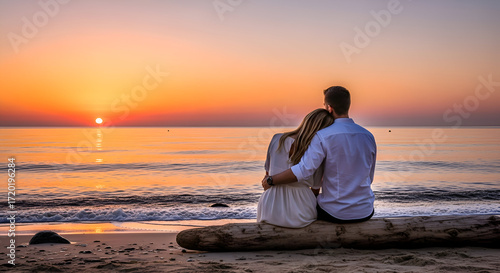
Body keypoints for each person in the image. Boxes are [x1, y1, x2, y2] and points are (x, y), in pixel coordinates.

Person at [262, 86, 377, 223]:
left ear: (329, 108)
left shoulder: (323, 136)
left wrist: (271, 180)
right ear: (348, 105)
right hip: (365, 211)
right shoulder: (368, 136)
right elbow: (369, 177)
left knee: (311, 207)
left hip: (335, 214)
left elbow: (303, 170)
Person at [257, 109, 334, 228]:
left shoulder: (277, 139)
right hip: (301, 205)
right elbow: (315, 189)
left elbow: (267, 177)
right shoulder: (316, 151)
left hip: (270, 203)